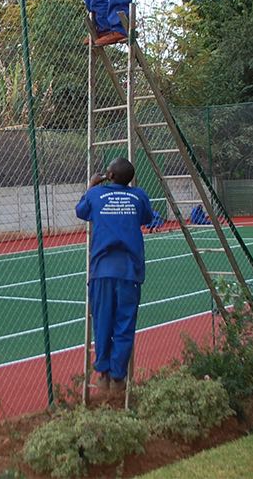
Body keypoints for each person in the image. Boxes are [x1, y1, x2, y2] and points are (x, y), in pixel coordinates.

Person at [75, 157, 153, 395]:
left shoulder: (96, 195)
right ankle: (119, 378)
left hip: (102, 271)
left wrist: (91, 185)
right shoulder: (139, 195)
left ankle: (104, 373)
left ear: (108, 175)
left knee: (102, 322)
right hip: (129, 271)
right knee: (124, 324)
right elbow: (147, 218)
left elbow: (81, 212)